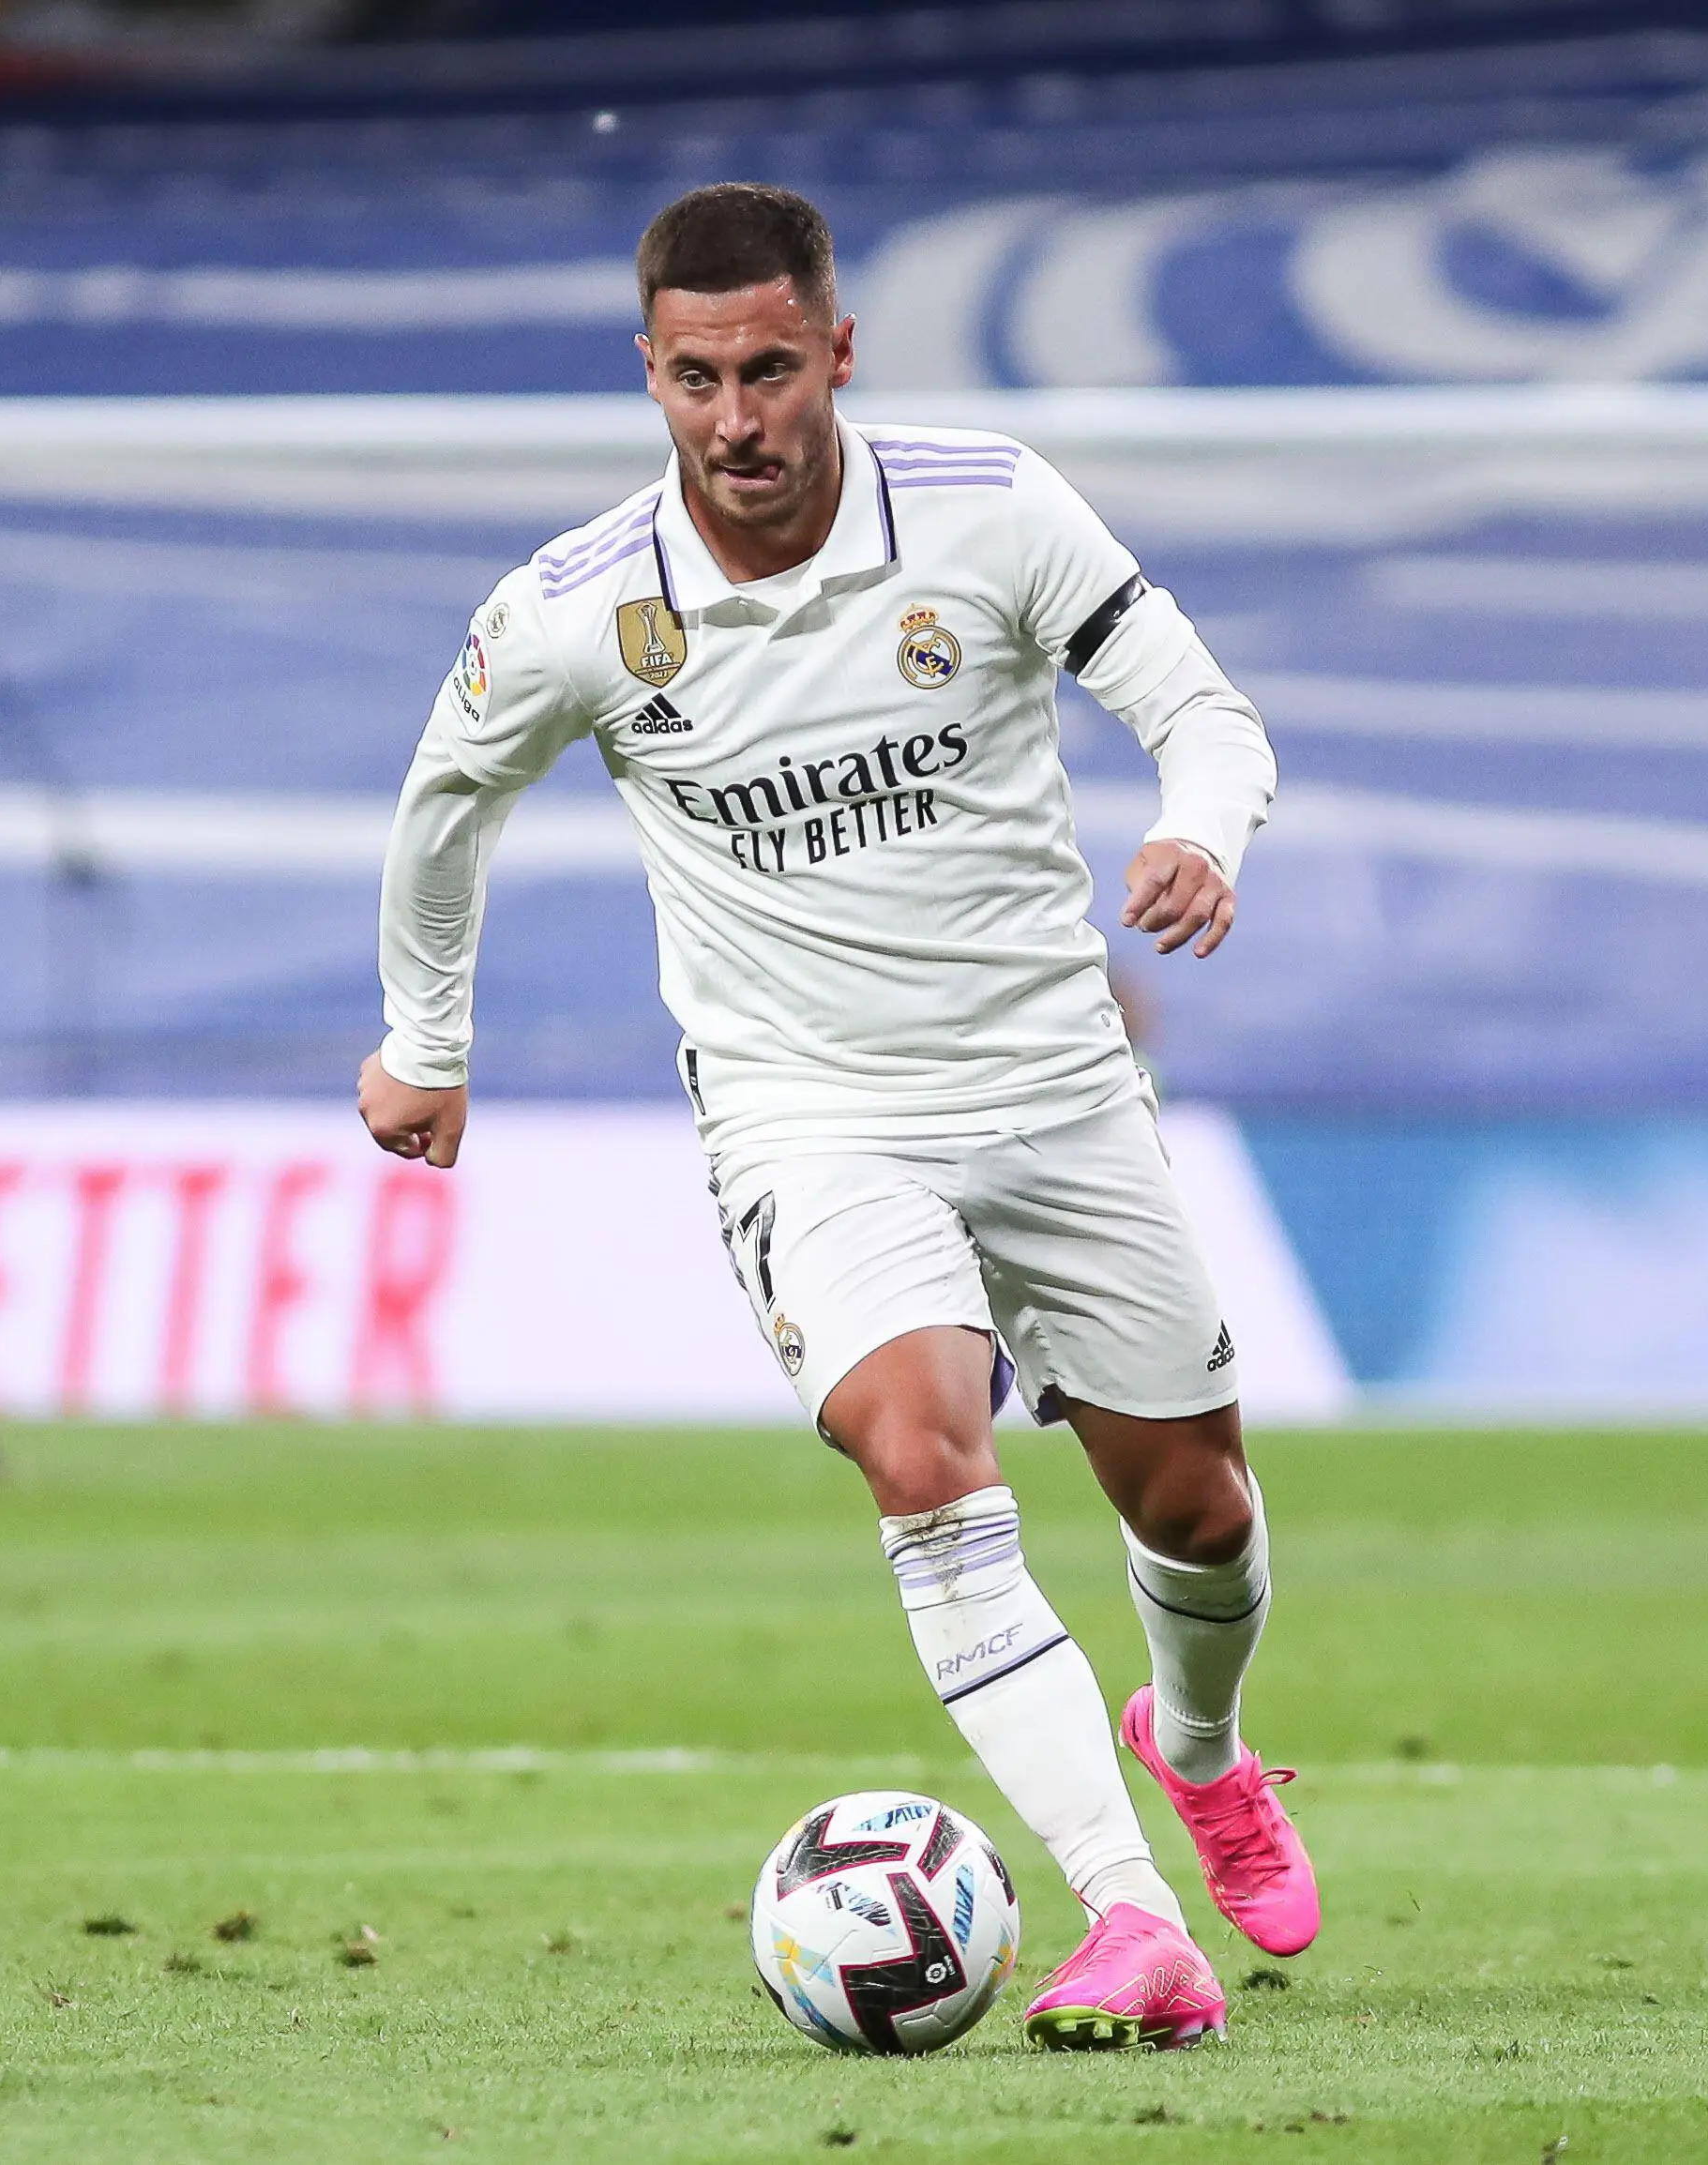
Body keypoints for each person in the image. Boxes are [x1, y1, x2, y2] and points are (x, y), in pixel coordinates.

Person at [360, 184, 1308, 2050]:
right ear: (648, 371)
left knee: (1192, 1504)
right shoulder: (576, 609)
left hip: (1051, 1081)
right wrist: (424, 1036)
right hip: (810, 1110)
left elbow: (1207, 714)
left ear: (839, 352)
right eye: (696, 378)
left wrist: (1199, 826)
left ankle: (1192, 1745)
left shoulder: (991, 507)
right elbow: (440, 801)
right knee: (918, 1449)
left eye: (771, 369)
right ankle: (1132, 1916)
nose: (737, 417)